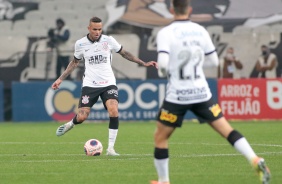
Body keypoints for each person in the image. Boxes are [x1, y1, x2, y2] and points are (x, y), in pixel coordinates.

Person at [151, 1, 270, 184]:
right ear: (189, 10)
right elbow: (214, 62)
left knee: (161, 136)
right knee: (227, 130)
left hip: (178, 95)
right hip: (201, 93)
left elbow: (164, 65)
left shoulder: (165, 33)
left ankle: (164, 180)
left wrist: (163, 70)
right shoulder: (200, 30)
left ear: (172, 10)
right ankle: (254, 158)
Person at [52, 16, 157, 156]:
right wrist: (60, 79)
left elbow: (125, 54)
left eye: (100, 29)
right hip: (90, 84)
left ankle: (110, 149)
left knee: (113, 109)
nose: (97, 32)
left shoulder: (109, 40)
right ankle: (70, 124)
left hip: (108, 83)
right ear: (89, 28)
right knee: (82, 116)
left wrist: (143, 63)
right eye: (94, 29)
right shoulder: (80, 44)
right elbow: (75, 63)